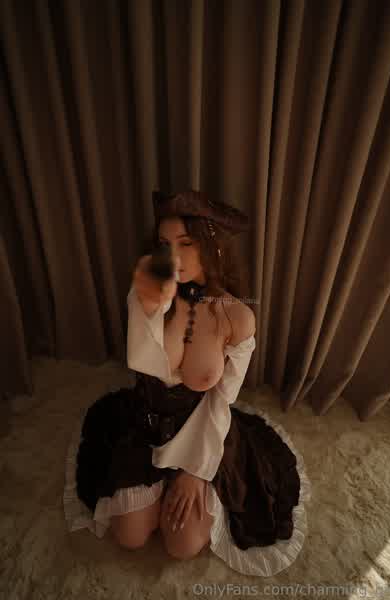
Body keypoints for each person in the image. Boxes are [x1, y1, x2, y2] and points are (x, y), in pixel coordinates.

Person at [63, 189, 311, 577]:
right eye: (164, 245)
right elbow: (141, 360)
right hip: (144, 427)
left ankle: (189, 481)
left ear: (213, 247)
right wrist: (159, 303)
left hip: (201, 431)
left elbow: (221, 400)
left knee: (182, 545)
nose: (172, 257)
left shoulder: (238, 317)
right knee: (130, 536)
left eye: (185, 243)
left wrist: (196, 471)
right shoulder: (149, 287)